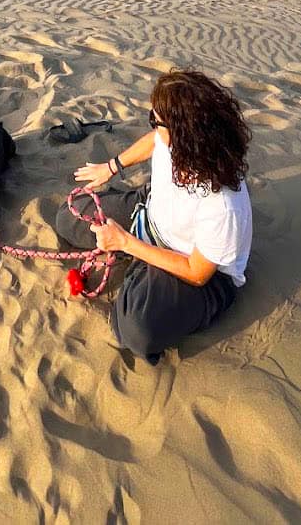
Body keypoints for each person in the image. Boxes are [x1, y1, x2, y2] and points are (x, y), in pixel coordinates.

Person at [55, 68, 252, 365]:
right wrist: (111, 167)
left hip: (199, 273)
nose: (152, 122)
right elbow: (154, 140)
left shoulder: (222, 204)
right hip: (149, 214)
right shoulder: (174, 140)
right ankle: (139, 263)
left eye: (155, 120)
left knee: (136, 332)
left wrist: (125, 244)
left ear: (183, 132)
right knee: (65, 218)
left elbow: (197, 273)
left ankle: (140, 268)